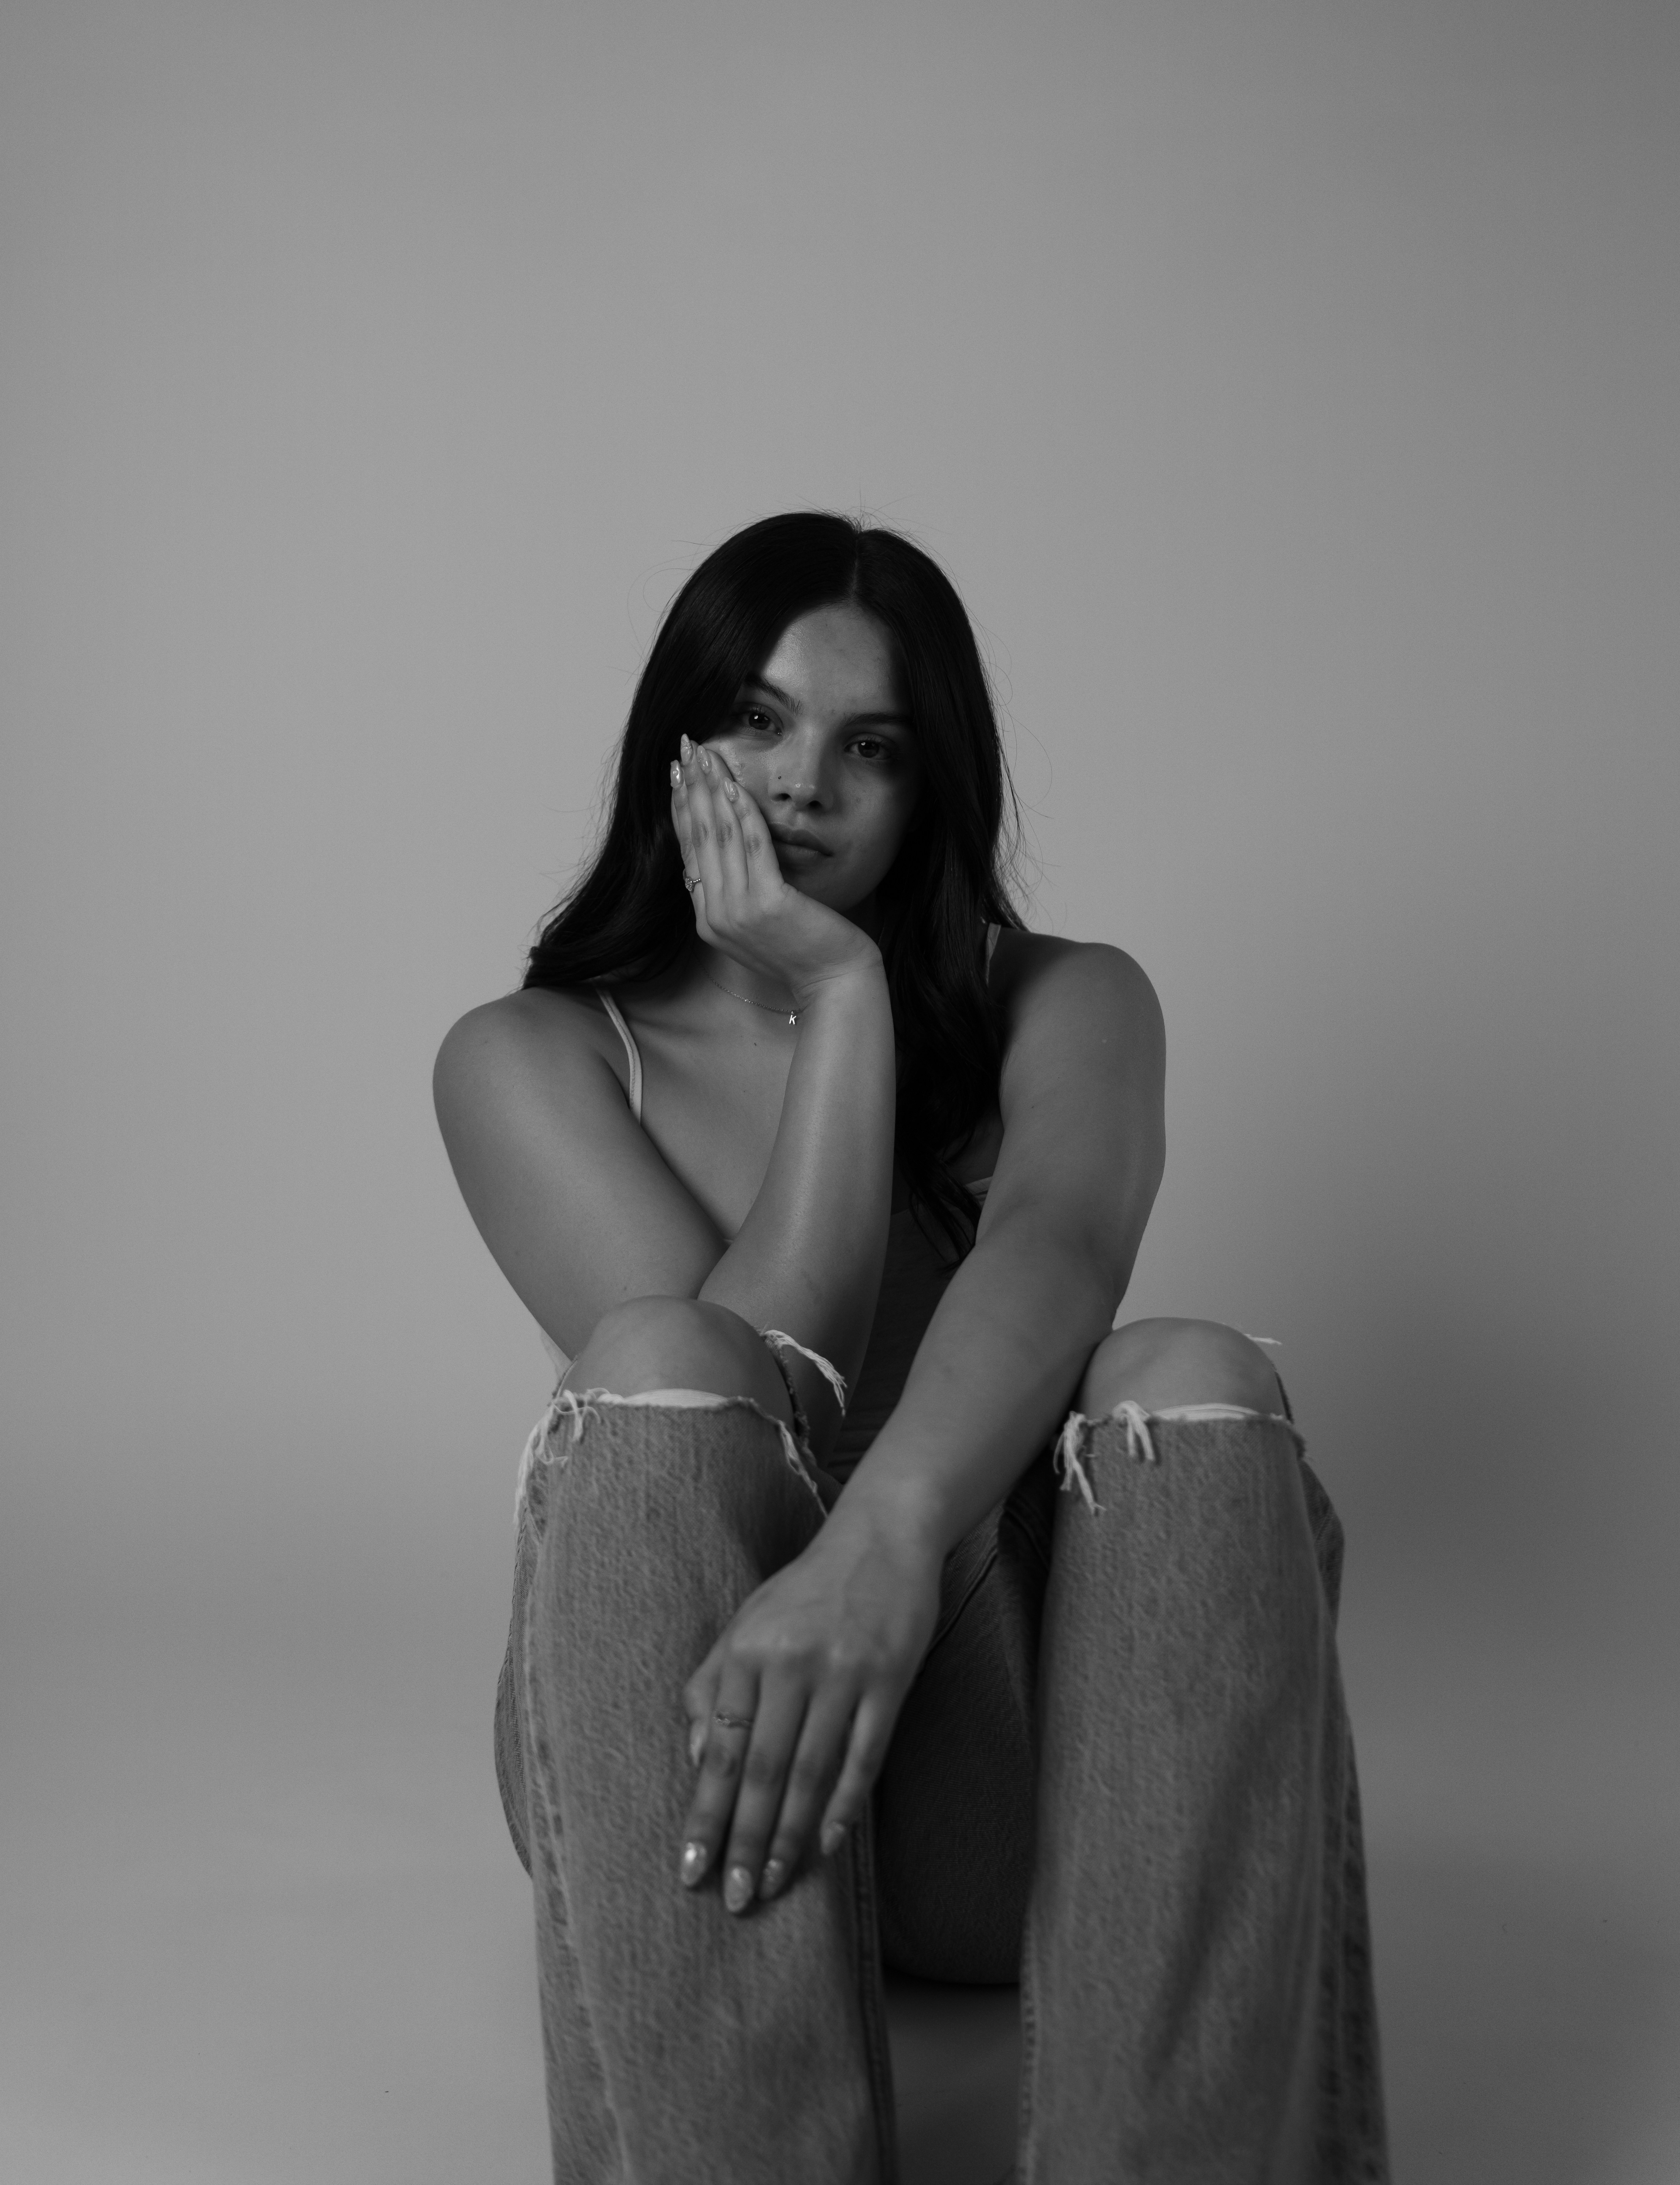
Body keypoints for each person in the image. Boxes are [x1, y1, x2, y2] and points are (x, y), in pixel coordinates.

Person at [434, 513, 1388, 2184]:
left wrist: (891, 1540)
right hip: (687, 1752)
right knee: (666, 1353)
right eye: (757, 718)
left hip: (991, 1783)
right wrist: (842, 1007)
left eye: (870, 747)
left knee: (1193, 1373)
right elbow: (751, 1394)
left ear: (932, 782)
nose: (804, 785)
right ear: (679, 737)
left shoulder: (1074, 1000)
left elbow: (1062, 1247)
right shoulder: (531, 1058)